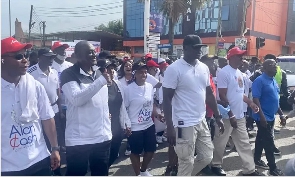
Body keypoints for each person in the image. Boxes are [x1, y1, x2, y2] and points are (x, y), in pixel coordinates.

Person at [163, 35, 225, 176]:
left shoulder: (203, 67)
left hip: (201, 120)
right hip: (183, 123)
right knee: (186, 160)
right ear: (185, 48)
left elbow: (209, 94)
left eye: (201, 48)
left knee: (207, 157)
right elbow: (166, 99)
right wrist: (170, 127)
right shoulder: (174, 69)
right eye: (195, 48)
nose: (199, 51)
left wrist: (218, 116)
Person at [1, 37, 60, 176]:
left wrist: (55, 148)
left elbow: (47, 117)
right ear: (1, 60)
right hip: (8, 167)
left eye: (26, 55)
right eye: (18, 56)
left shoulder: (34, 85)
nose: (25, 59)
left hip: (39, 159)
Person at [60, 41, 112, 176]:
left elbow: (102, 101)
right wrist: (100, 82)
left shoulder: (99, 72)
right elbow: (77, 99)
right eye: (89, 52)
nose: (94, 54)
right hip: (80, 140)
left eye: (94, 51)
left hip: (102, 137)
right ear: (77, 55)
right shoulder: (68, 74)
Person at [211, 47, 260, 176]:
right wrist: (230, 114)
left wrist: (250, 103)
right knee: (220, 142)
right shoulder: (224, 72)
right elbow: (222, 96)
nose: (242, 58)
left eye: (242, 56)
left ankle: (249, 169)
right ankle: (215, 165)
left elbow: (240, 94)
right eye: (239, 56)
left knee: (244, 143)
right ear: (231, 57)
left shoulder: (238, 72)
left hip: (239, 116)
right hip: (227, 116)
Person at [124, 61, 163, 176]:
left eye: (145, 72)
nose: (144, 75)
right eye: (141, 72)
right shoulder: (128, 89)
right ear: (134, 74)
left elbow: (151, 105)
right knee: (135, 152)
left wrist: (157, 114)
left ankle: (143, 170)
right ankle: (137, 174)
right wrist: (127, 125)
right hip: (134, 127)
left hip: (148, 124)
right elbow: (124, 109)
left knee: (151, 150)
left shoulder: (150, 87)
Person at [252, 59, 285, 176]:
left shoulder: (273, 80)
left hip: (271, 116)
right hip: (262, 116)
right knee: (268, 142)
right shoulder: (259, 81)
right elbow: (255, 99)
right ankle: (273, 167)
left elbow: (276, 100)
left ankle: (256, 159)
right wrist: (262, 117)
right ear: (264, 68)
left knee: (261, 139)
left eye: (275, 65)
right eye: (271, 65)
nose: (275, 67)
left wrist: (281, 114)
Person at [99, 59, 132, 167]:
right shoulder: (97, 87)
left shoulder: (117, 84)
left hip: (117, 127)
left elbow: (122, 106)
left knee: (113, 155)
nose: (111, 71)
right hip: (103, 129)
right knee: (101, 158)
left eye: (112, 68)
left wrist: (127, 124)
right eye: (108, 69)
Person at [51, 41, 73, 153]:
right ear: (54, 52)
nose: (63, 52)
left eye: (64, 49)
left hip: (70, 103)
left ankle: (68, 148)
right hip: (56, 105)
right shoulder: (50, 67)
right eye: (60, 50)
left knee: (69, 127)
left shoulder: (71, 66)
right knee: (58, 129)